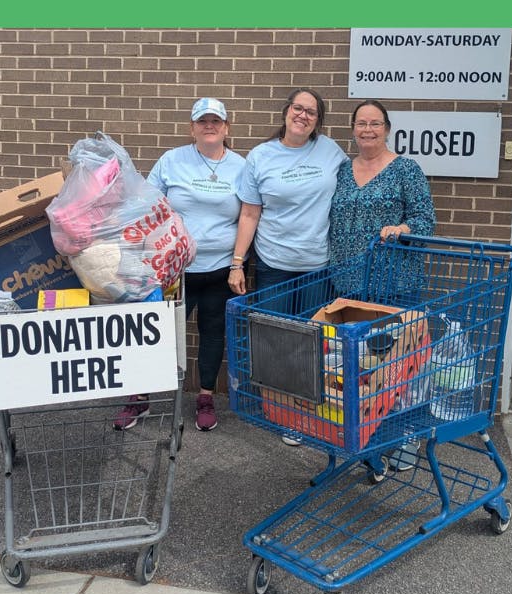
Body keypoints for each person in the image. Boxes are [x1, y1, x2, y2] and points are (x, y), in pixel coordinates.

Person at [118, 97, 252, 432]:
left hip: (221, 270)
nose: (210, 126)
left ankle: (205, 397)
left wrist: (238, 264)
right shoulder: (172, 160)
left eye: (216, 121)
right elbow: (147, 206)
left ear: (226, 127)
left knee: (212, 333)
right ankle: (139, 398)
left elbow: (250, 214)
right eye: (203, 121)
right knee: (155, 334)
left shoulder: (241, 166)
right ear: (192, 128)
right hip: (173, 273)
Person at [233, 88, 345, 445]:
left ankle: (307, 408)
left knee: (313, 340)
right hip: (274, 263)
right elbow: (250, 212)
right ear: (286, 112)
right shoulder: (261, 156)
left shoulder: (330, 151)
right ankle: (282, 411)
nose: (303, 115)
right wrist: (238, 263)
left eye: (311, 112)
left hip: (317, 265)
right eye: (298, 108)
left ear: (318, 121)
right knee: (275, 339)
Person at [333, 100, 437, 472]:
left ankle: (407, 435)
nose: (368, 130)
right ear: (353, 129)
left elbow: (426, 220)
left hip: (396, 284)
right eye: (361, 123)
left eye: (375, 123)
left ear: (387, 128)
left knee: (405, 367)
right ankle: (373, 435)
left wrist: (403, 229)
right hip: (348, 286)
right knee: (365, 370)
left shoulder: (406, 169)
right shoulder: (343, 170)